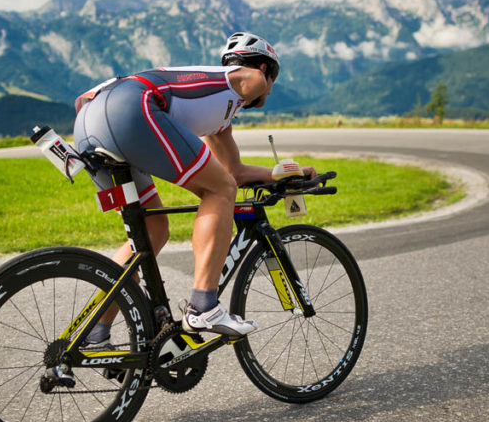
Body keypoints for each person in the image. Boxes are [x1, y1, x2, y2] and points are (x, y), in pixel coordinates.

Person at [72, 32, 315, 344]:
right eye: (273, 79)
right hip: (132, 108)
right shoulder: (252, 77)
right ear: (266, 68)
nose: (268, 88)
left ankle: (95, 332)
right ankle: (203, 306)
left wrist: (280, 174)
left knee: (153, 230)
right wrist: (261, 79)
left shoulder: (219, 114)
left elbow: (234, 171)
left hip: (90, 123)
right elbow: (226, 181)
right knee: (220, 190)